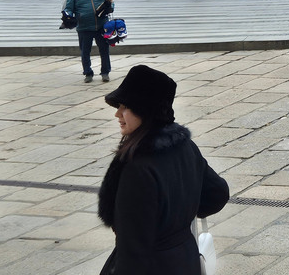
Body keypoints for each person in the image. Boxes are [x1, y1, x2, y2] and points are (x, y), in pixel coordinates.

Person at [98, 64, 230, 274]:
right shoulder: (185, 146)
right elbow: (217, 195)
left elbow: (133, 250)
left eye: (125, 106)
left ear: (145, 109)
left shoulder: (137, 167)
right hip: (185, 260)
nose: (118, 114)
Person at [64, 0, 115, 83]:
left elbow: (110, 1)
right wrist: (68, 16)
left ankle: (105, 72)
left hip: (101, 26)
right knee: (85, 52)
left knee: (104, 50)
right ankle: (88, 73)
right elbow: (68, 8)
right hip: (84, 28)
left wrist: (110, 7)